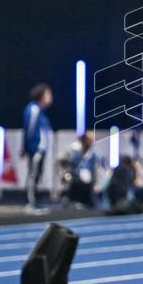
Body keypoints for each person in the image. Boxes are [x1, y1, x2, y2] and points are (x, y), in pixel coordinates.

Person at [22, 83, 53, 213]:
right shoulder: (33, 109)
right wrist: (27, 147)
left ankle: (35, 201)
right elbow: (29, 129)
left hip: (41, 149)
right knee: (33, 175)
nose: (50, 98)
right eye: (48, 94)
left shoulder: (41, 111)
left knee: (37, 175)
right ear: (41, 96)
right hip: (35, 149)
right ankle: (30, 203)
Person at [59, 131, 101, 208]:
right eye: (89, 140)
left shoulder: (93, 153)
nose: (92, 142)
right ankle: (70, 197)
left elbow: (96, 169)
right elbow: (62, 162)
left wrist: (97, 184)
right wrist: (63, 174)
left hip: (87, 182)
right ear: (84, 140)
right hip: (74, 178)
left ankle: (85, 199)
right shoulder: (72, 150)